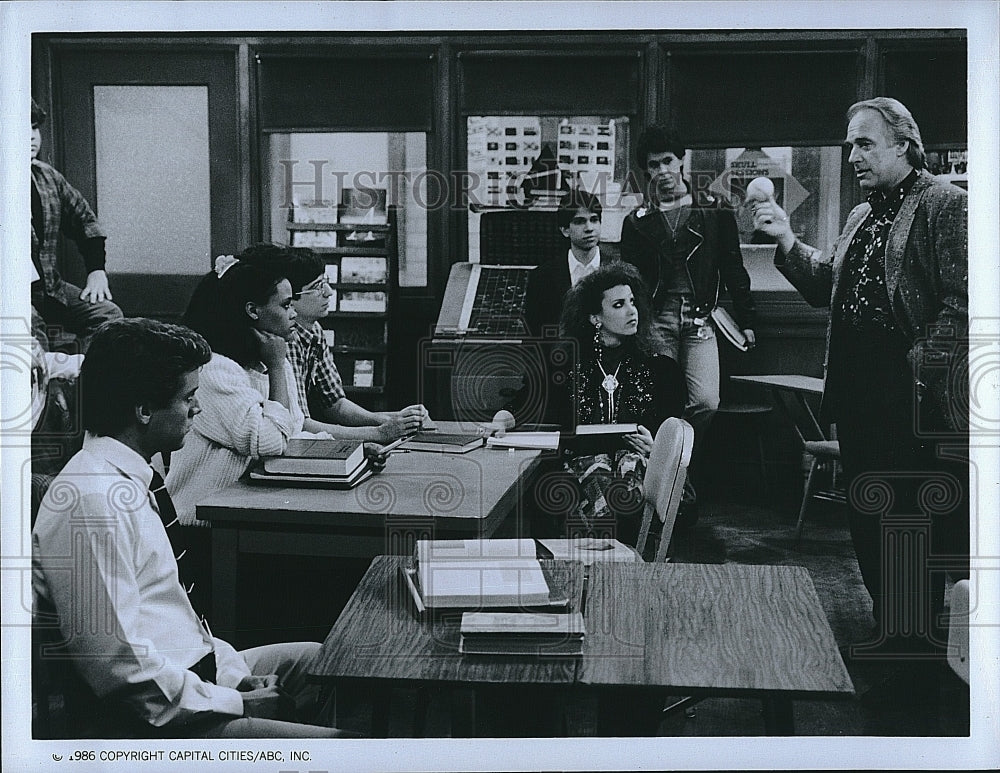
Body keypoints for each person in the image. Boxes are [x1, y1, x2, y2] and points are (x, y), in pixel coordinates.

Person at [32, 318, 355, 737]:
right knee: (348, 748)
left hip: (186, 676)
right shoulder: (93, 502)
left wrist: (235, 675)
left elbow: (179, 620)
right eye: (189, 398)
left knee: (315, 662)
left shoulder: (135, 476)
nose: (197, 410)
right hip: (146, 724)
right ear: (144, 410)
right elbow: (120, 671)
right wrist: (236, 700)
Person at [752, 97, 969, 659]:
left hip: (910, 395)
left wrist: (921, 366)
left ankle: (915, 650)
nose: (852, 155)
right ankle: (894, 636)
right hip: (858, 391)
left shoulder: (946, 204)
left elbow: (965, 302)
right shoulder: (862, 214)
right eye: (850, 144)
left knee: (908, 521)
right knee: (872, 521)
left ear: (904, 143)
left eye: (865, 143)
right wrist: (785, 240)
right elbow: (828, 285)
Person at [496, 263, 686, 543]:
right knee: (596, 477)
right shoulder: (566, 365)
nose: (632, 311)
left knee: (625, 477)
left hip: (636, 463)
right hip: (580, 465)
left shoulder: (661, 369)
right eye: (619, 305)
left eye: (633, 302)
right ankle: (601, 566)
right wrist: (499, 421)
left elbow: (672, 432)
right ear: (595, 317)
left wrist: (657, 448)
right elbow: (525, 405)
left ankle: (617, 562)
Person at [620, 126, 756, 517]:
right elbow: (631, 277)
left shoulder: (714, 208)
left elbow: (733, 265)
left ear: (681, 161)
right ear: (646, 172)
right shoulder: (638, 221)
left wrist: (747, 318)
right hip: (657, 318)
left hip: (700, 317)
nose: (662, 171)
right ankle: (673, 483)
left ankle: (678, 464)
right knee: (661, 403)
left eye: (667, 161)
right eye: (652, 166)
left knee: (705, 401)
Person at [237, 242, 429, 441]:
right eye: (317, 287)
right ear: (289, 298)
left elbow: (334, 403)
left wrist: (388, 419)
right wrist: (378, 433)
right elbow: (299, 423)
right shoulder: (282, 342)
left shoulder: (315, 330)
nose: (329, 292)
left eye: (325, 282)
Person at [30, 98, 122, 353]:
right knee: (33, 337)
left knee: (108, 316)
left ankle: (81, 385)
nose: (31, 138)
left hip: (51, 290)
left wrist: (96, 270)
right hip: (12, 299)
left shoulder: (46, 176)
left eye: (35, 128)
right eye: (21, 129)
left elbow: (85, 220)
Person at [523, 190, 607, 337]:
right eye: (579, 221)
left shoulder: (621, 272)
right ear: (565, 230)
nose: (589, 228)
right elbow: (534, 335)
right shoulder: (542, 277)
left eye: (594, 220)